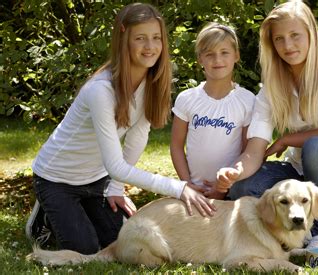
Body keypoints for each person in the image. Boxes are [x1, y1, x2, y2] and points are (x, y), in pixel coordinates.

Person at [25, 3, 215, 255]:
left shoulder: (153, 82)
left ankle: (82, 211)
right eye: (140, 38)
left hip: (96, 179)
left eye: (156, 38)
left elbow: (137, 137)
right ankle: (44, 215)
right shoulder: (100, 90)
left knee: (118, 242)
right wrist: (179, 188)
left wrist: (114, 188)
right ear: (124, 38)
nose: (150, 46)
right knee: (86, 250)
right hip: (56, 178)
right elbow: (115, 165)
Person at [215, 0, 318, 250]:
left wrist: (286, 139)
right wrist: (236, 172)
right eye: (279, 39)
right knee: (243, 187)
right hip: (299, 177)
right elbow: (255, 147)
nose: (287, 46)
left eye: (294, 35)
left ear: (310, 32)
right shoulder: (272, 85)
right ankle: (287, 229)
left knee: (316, 146)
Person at [170, 23, 255, 199]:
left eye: (224, 53)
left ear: (236, 56)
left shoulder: (247, 100)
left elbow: (249, 152)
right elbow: (176, 146)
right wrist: (187, 184)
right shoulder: (187, 98)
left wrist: (223, 186)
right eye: (209, 54)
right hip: (193, 190)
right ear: (200, 59)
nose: (217, 60)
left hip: (231, 191)